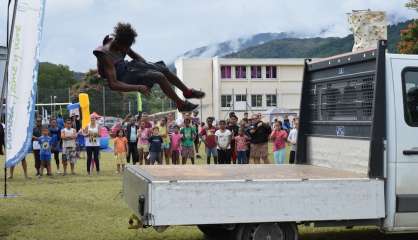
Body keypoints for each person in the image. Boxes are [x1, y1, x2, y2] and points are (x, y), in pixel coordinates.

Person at [93, 22, 205, 112]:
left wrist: (147, 66)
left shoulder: (120, 42)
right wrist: (138, 87)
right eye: (125, 47)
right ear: (118, 43)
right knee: (159, 76)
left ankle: (187, 92)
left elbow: (134, 55)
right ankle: (180, 104)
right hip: (121, 77)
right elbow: (113, 84)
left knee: (162, 69)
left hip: (128, 67)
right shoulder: (104, 54)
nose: (127, 50)